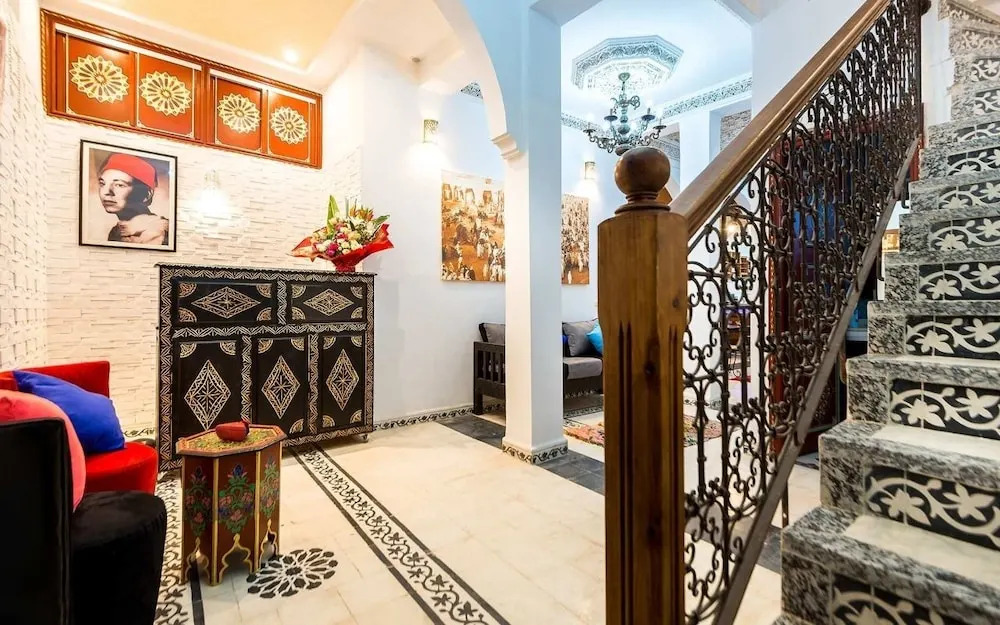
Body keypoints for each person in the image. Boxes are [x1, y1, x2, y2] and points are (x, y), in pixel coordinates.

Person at [98, 153, 169, 245]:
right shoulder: (117, 231)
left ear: (147, 195)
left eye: (119, 185)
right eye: (102, 184)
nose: (106, 192)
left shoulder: (156, 232)